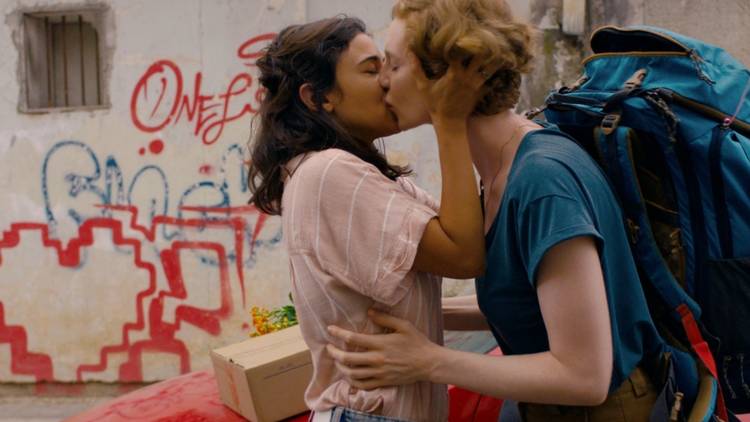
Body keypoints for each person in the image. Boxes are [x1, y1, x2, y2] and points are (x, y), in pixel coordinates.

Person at [325, 1, 667, 420]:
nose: (382, 84)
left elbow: (585, 375)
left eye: (393, 66)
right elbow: (526, 302)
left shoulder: (542, 182)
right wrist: (407, 313)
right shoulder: (502, 167)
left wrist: (428, 360)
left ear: (447, 75)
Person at [247, 16, 494, 422]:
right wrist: (448, 120)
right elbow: (465, 255)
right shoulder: (330, 173)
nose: (387, 82)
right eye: (370, 69)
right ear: (318, 98)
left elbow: (468, 231)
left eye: (388, 66)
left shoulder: (365, 176)